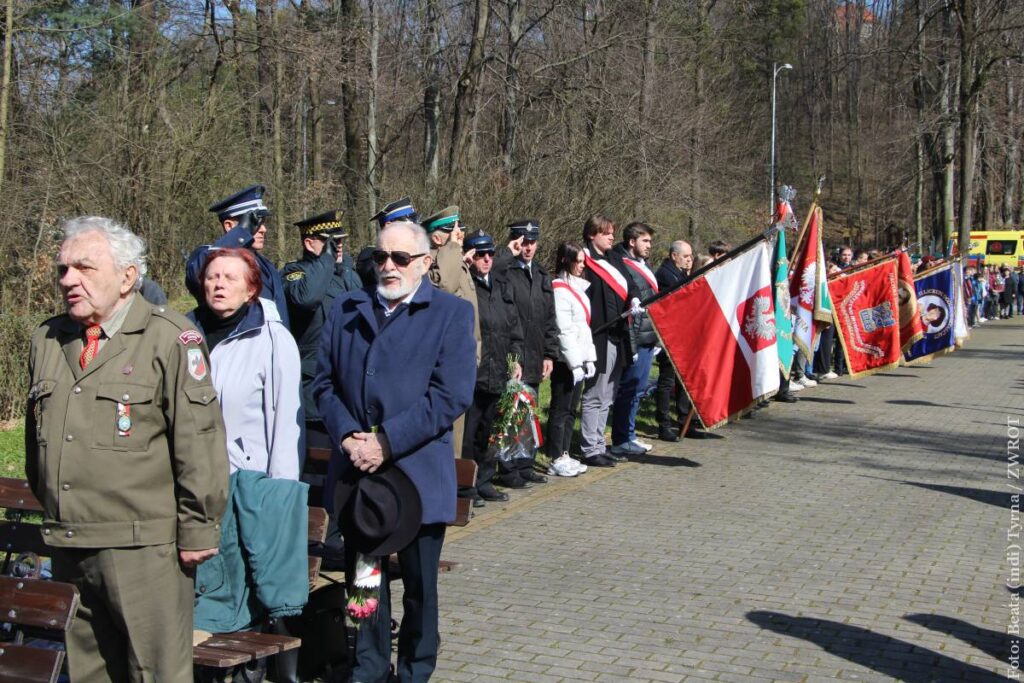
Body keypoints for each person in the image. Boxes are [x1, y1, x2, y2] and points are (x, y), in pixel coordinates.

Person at [26, 216, 228, 681]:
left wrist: (199, 527)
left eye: (84, 267)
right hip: (71, 541)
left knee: (154, 673)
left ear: (127, 276)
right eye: (63, 270)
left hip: (143, 549)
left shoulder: (170, 338)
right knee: (89, 674)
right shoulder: (49, 339)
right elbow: (37, 442)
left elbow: (199, 443)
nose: (68, 280)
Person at [312, 220, 476, 682]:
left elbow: (450, 395)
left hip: (417, 478)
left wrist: (386, 441)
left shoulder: (449, 313)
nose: (388, 266)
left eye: (400, 258)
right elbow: (323, 384)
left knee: (421, 588)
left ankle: (414, 671)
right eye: (381, 256)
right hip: (360, 480)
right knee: (365, 584)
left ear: (425, 263)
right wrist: (348, 435)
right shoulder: (347, 307)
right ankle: (368, 668)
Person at [281, 210, 362, 453]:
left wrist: (343, 268)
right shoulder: (295, 274)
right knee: (316, 470)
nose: (337, 247)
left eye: (339, 241)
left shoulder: (345, 275)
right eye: (330, 242)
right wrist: (326, 260)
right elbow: (307, 298)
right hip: (313, 390)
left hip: (348, 391)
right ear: (309, 242)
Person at [462, 230, 525, 502]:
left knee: (491, 431)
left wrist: (515, 358)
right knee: (469, 434)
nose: (487, 259)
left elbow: (514, 328)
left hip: (499, 369)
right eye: (480, 254)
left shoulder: (501, 285)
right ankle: (466, 486)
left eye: (490, 253)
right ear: (470, 257)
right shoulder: (465, 286)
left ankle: (485, 480)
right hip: (474, 373)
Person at [495, 218, 558, 484]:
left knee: (529, 412)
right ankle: (508, 468)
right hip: (512, 353)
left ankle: (525, 463)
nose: (528, 248)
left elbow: (550, 319)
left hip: (534, 353)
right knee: (511, 413)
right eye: (523, 243)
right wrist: (508, 251)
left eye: (532, 242)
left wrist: (549, 354)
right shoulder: (505, 271)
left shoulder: (542, 274)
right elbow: (491, 271)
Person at [579, 214, 640, 468]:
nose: (612, 237)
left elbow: (631, 284)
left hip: (618, 333)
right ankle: (589, 447)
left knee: (609, 394)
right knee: (595, 392)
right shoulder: (584, 259)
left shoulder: (614, 257)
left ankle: (599, 444)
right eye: (606, 233)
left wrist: (634, 299)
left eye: (613, 233)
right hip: (598, 335)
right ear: (593, 234)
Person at [185, 184, 290, 329]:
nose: (263, 229)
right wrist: (242, 232)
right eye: (254, 223)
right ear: (229, 226)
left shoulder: (266, 265)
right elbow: (199, 272)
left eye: (262, 223)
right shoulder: (204, 255)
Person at [609, 222, 660, 457]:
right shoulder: (622, 265)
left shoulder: (643, 264)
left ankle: (629, 434)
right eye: (645, 241)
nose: (649, 245)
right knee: (628, 390)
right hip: (636, 337)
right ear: (632, 241)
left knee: (638, 390)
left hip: (649, 336)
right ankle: (621, 437)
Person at [546, 241, 595, 477]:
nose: (581, 266)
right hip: (565, 360)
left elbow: (583, 328)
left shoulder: (578, 288)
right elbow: (564, 329)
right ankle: (555, 455)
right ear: (566, 260)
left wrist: (589, 359)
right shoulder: (559, 289)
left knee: (571, 409)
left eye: (583, 261)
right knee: (560, 408)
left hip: (578, 358)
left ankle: (565, 451)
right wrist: (574, 361)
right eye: (578, 261)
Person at [654, 240, 693, 441]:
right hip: (669, 336)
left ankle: (684, 420)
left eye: (691, 257)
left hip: (682, 335)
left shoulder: (681, 274)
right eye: (686, 257)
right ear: (674, 256)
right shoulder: (666, 275)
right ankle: (664, 424)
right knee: (667, 381)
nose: (689, 260)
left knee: (683, 381)